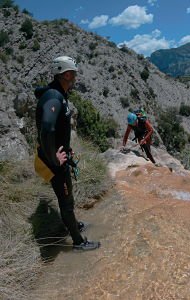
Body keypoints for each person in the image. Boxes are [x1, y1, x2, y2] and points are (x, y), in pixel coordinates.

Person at [34, 56, 100, 251]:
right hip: (54, 162)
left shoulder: (54, 93)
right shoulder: (54, 97)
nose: (76, 78)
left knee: (66, 198)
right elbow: (47, 128)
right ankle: (79, 242)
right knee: (66, 201)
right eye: (74, 74)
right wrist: (55, 158)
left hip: (56, 156)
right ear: (67, 74)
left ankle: (73, 224)